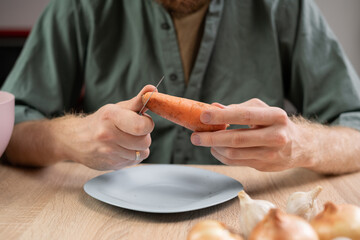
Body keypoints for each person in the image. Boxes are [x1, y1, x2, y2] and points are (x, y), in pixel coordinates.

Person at [2, 0, 360, 174]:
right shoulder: (81, 7)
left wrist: (302, 144)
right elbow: (9, 131)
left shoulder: (285, 7)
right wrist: (69, 137)